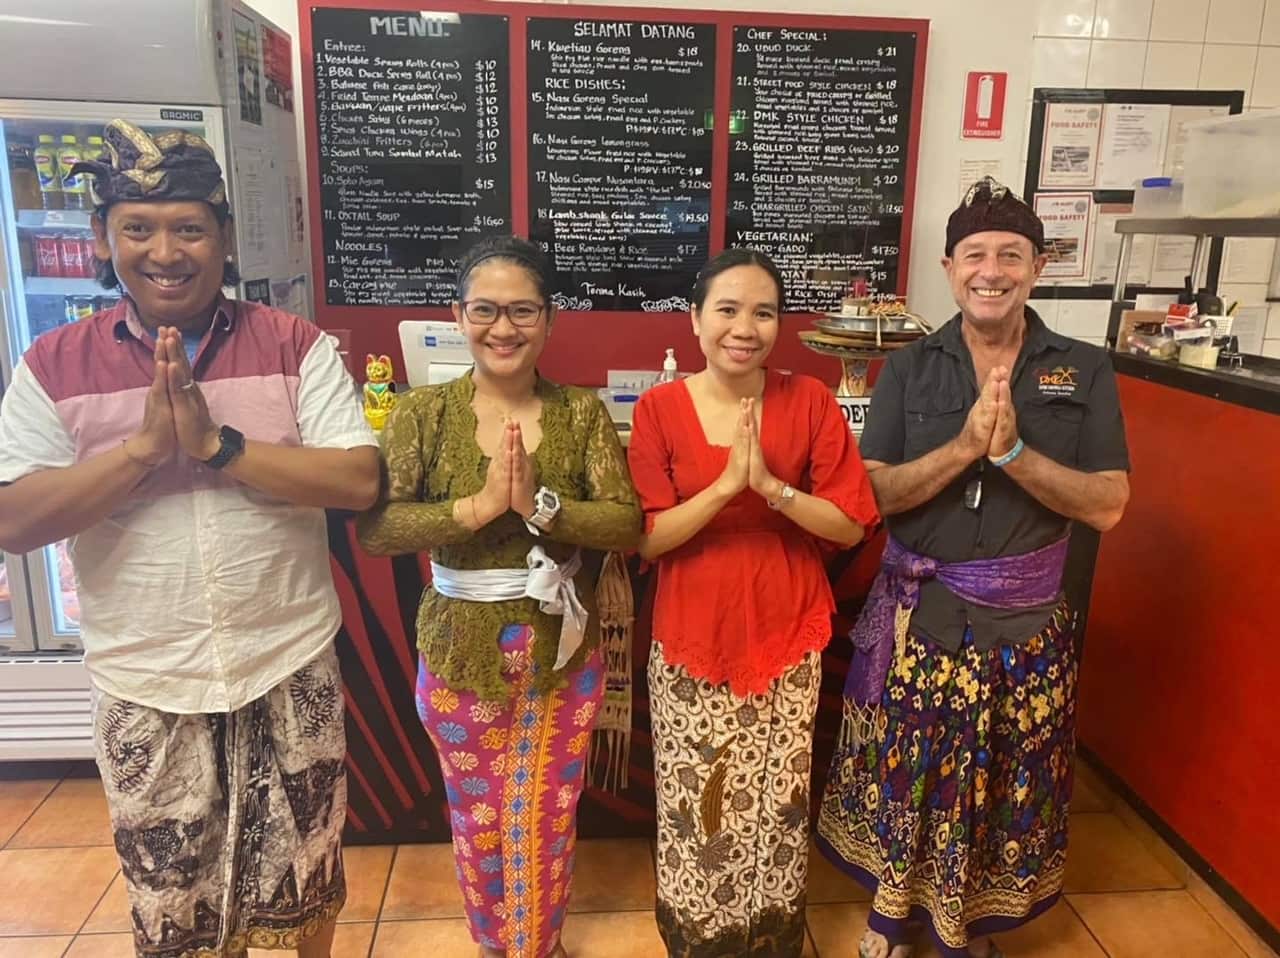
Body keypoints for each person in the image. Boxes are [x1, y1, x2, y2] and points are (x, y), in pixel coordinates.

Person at [0, 119, 380, 958]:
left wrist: (219, 447)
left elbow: (358, 480)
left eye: (189, 227)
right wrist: (141, 452)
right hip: (147, 677)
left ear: (225, 238)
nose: (165, 251)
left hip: (286, 660)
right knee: (174, 910)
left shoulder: (296, 346)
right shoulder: (52, 364)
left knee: (307, 886)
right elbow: (15, 521)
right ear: (104, 237)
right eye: (139, 227)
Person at [816, 178, 1131, 958]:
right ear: (949, 267)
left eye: (1011, 255)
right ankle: (891, 916)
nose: (992, 271)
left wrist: (1015, 453)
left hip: (1026, 625)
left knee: (1000, 780)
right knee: (907, 773)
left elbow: (1108, 504)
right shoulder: (910, 368)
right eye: (975, 255)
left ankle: (968, 921)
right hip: (921, 619)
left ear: (1038, 266)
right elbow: (874, 496)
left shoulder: (1084, 369)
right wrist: (963, 448)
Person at [356, 235, 642, 958]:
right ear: (458, 316)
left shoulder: (580, 412)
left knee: (548, 812)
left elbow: (625, 522)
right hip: (459, 652)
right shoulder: (424, 413)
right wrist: (477, 508)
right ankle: (496, 944)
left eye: (522, 310)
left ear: (549, 319)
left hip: (562, 652)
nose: (503, 327)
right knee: (479, 817)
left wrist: (542, 505)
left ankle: (540, 944)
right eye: (484, 309)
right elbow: (379, 529)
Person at [627, 248, 880, 958]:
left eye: (764, 313)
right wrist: (723, 488)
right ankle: (701, 937)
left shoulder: (812, 400)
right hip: (693, 631)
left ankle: (771, 937)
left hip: (787, 625)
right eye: (728, 310)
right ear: (695, 319)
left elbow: (849, 524)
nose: (745, 328)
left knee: (778, 798)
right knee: (698, 801)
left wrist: (772, 488)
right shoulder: (658, 409)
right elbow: (648, 538)